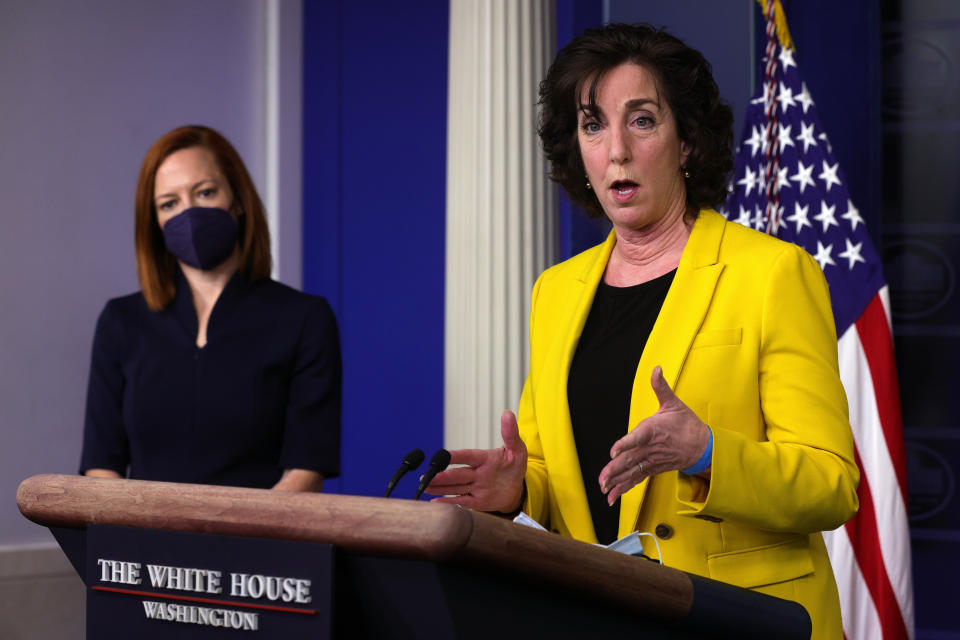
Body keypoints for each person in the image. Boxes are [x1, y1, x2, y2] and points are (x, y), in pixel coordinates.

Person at [427, 24, 858, 637]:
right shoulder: (556, 291)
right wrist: (519, 491)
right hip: (599, 615)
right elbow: (569, 481)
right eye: (593, 125)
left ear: (686, 143)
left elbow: (831, 484)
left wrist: (706, 452)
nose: (617, 152)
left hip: (738, 619)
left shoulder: (772, 274)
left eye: (643, 120)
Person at [79, 125, 341, 491]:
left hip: (262, 542)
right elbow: (101, 466)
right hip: (142, 543)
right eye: (169, 203)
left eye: (204, 192)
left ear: (237, 200)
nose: (189, 214)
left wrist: (244, 540)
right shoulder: (120, 322)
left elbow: (304, 471)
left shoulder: (304, 319)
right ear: (155, 222)